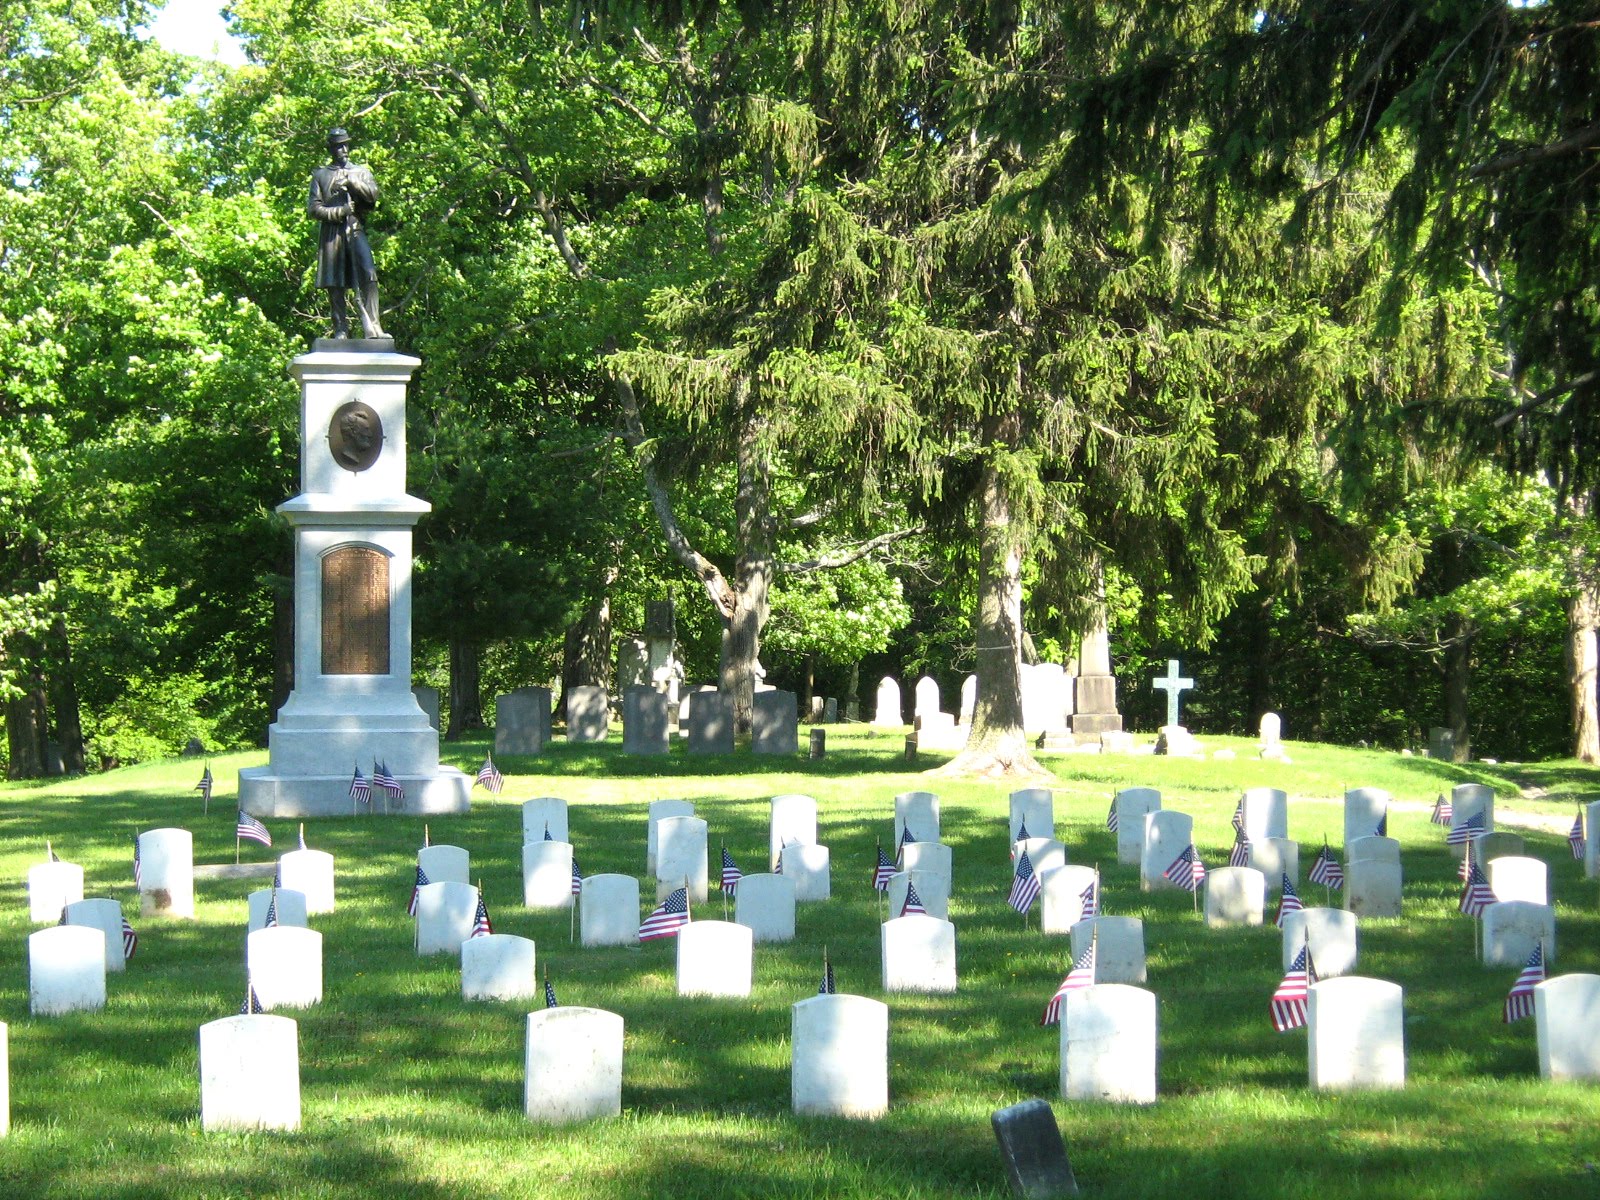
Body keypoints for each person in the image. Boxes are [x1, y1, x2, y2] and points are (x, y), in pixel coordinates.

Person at [308, 127, 387, 339]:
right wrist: (340, 211)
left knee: (368, 272)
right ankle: (340, 328)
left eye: (345, 145)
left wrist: (353, 183)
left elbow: (372, 196)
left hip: (354, 229)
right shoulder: (321, 175)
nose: (343, 149)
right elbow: (314, 209)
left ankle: (374, 324)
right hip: (332, 233)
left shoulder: (360, 172)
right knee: (335, 282)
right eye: (338, 146)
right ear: (331, 149)